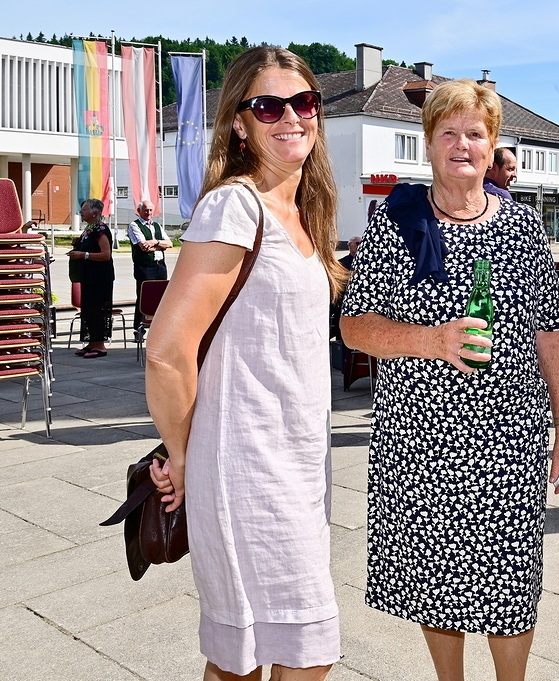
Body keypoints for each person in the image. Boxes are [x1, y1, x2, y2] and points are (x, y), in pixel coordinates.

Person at [339, 78, 559, 681]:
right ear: (428, 144)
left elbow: (551, 329)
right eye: (447, 132)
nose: (461, 144)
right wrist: (432, 340)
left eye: (475, 133)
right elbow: (354, 327)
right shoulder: (395, 221)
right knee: (434, 583)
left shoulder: (524, 228)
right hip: (420, 439)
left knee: (511, 581)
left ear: (492, 145)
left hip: (509, 437)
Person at [145, 46, 347, 681]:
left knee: (249, 658)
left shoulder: (305, 211)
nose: (291, 117)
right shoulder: (235, 205)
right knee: (302, 654)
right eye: (268, 106)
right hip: (246, 467)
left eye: (304, 102)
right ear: (238, 121)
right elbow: (166, 351)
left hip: (298, 464)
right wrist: (183, 456)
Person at [68, 198, 114, 358]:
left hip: (99, 278)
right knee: (88, 310)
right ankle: (92, 342)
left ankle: (100, 345)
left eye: (84, 209)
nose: (81, 212)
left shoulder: (100, 228)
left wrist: (83, 254)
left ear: (94, 213)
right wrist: (78, 245)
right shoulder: (89, 228)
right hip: (88, 277)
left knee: (97, 310)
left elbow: (105, 254)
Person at [127, 200, 172, 337]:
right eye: (146, 210)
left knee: (161, 296)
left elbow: (170, 243)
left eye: (151, 210)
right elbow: (143, 247)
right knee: (143, 297)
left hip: (160, 266)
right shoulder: (134, 225)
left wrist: (154, 242)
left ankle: (159, 329)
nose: (148, 213)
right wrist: (160, 245)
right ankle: (139, 329)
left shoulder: (157, 225)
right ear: (139, 211)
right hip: (145, 266)